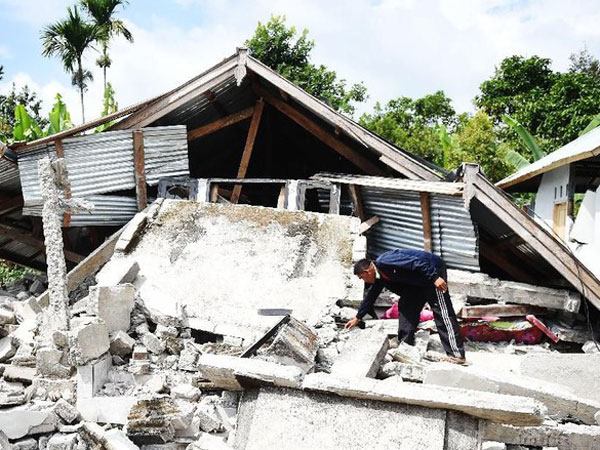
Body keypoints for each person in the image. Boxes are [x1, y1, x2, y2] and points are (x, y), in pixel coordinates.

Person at [345, 248, 466, 364]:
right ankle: (405, 346)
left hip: (432, 272)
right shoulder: (379, 276)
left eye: (362, 278)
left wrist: (434, 277)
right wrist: (358, 317)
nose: (364, 281)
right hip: (416, 283)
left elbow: (416, 262)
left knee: (442, 312)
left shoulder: (385, 261)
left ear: (367, 272)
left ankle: (457, 355)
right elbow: (371, 295)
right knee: (406, 306)